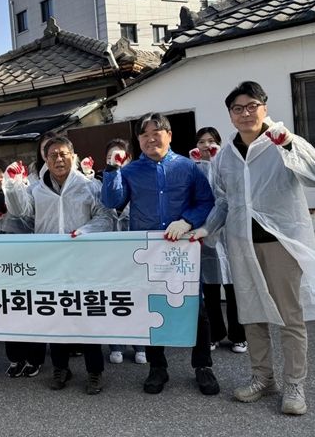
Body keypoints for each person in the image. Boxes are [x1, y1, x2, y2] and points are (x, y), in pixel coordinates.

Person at [192, 81, 315, 415]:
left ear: (264, 107)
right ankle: (263, 378)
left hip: (281, 242)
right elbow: (223, 201)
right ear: (230, 115)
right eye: (238, 109)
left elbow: (313, 174)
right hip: (242, 243)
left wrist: (288, 144)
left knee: (290, 317)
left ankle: (294, 385)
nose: (245, 113)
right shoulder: (225, 156)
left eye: (251, 106)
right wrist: (206, 229)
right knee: (251, 313)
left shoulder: (281, 141)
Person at [101, 113, 219, 396]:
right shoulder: (130, 171)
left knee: (195, 307)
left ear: (169, 135)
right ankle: (157, 367)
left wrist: (188, 221)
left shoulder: (188, 167)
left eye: (156, 132)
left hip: (182, 249)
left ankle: (203, 366)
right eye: (144, 134)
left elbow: (206, 201)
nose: (150, 138)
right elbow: (112, 201)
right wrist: (112, 169)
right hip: (149, 250)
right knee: (152, 307)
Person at [3, 136, 113, 395]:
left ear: (73, 156)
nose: (59, 159)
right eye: (53, 155)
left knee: (87, 317)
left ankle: (95, 371)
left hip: (83, 262)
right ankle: (61, 368)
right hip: (50, 263)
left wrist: (85, 231)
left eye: (63, 154)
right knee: (55, 317)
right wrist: (13, 185)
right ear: (46, 159)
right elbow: (21, 213)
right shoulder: (37, 189)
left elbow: (105, 218)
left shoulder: (89, 186)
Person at [0, 159, 43, 378]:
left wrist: (9, 217)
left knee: (30, 309)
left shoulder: (24, 188)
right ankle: (16, 357)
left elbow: (32, 221)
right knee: (8, 309)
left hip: (27, 258)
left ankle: (35, 359)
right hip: (4, 260)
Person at [189, 128, 247, 354]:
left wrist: (213, 162)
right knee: (210, 290)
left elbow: (224, 194)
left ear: (219, 143)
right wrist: (202, 165)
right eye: (201, 141)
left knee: (234, 290)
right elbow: (200, 194)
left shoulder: (227, 163)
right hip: (205, 233)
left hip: (229, 232)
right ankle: (214, 334)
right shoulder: (192, 167)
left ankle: (238, 336)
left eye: (211, 141)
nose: (206, 145)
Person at [99, 139, 147, 366]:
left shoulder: (138, 183)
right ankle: (116, 344)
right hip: (109, 254)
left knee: (137, 298)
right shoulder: (100, 184)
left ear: (129, 159)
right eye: (111, 156)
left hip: (135, 251)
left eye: (120, 156)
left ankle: (140, 344)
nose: (116, 160)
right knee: (114, 298)